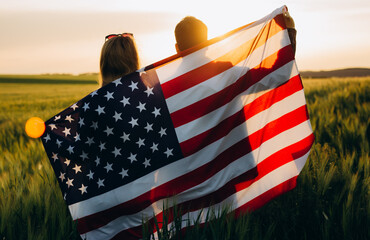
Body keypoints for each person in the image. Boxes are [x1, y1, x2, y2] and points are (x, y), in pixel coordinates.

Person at [174, 8, 296, 55]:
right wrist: (289, 31)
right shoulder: (224, 72)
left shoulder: (161, 89)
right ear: (207, 45)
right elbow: (278, 76)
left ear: (177, 48)